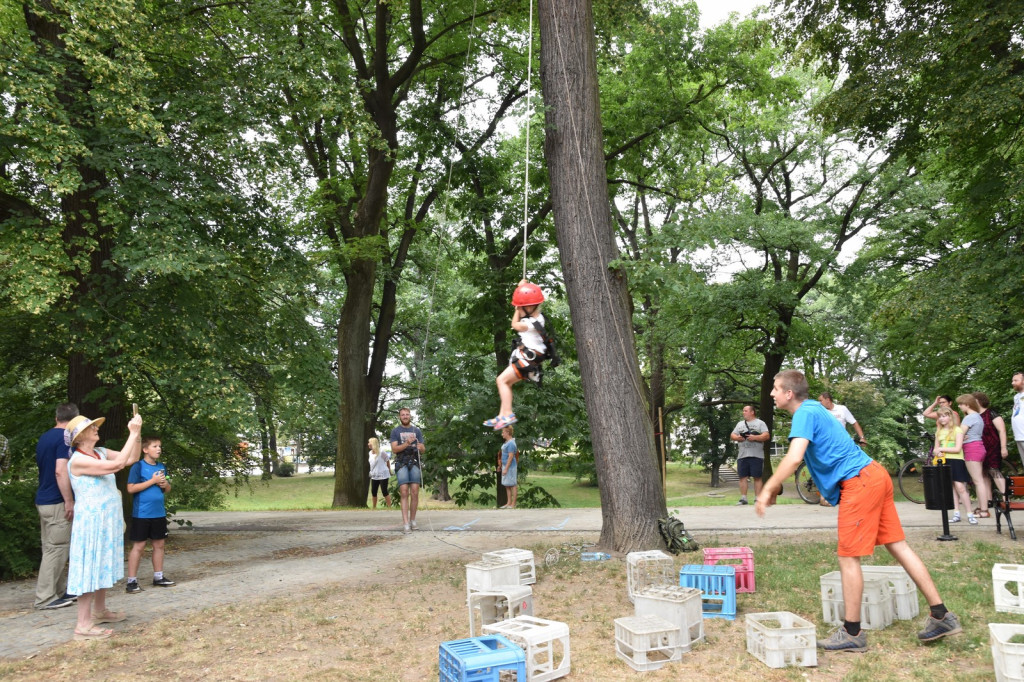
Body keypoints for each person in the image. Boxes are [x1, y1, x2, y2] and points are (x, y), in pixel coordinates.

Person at [756, 370, 961, 651]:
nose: (772, 394)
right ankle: (942, 615)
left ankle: (852, 633)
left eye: (776, 389)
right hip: (874, 474)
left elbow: (794, 458)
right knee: (898, 546)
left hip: (859, 481)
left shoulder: (804, 412)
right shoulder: (816, 407)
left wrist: (768, 489)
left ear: (789, 393)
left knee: (848, 557)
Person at [65, 411, 143, 640]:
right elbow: (118, 464)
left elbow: (131, 458)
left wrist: (137, 436)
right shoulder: (78, 460)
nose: (95, 428)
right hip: (90, 523)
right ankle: (83, 624)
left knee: (101, 565)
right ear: (79, 437)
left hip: (106, 521)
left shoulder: (99, 452)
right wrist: (133, 432)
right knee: (89, 568)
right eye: (90, 428)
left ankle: (100, 611)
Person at [483, 280, 548, 430]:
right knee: (506, 383)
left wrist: (517, 309)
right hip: (526, 358)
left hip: (528, 359)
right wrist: (520, 289)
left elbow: (514, 325)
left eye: (521, 307)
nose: (519, 309)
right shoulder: (534, 317)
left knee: (501, 381)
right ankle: (502, 415)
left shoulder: (534, 322)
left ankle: (508, 414)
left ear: (529, 307)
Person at [34, 402, 79, 610]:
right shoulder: (65, 438)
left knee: (52, 548)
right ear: (75, 420)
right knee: (57, 549)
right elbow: (60, 471)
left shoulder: (45, 437)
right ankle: (45, 598)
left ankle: (59, 592)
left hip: (43, 499)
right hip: (57, 501)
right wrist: (69, 500)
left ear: (56, 418)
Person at [125, 436, 175, 594]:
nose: (159, 449)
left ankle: (158, 577)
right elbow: (131, 488)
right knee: (139, 546)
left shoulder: (161, 467)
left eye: (160, 446)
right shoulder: (138, 466)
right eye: (155, 446)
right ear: (145, 449)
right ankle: (131, 581)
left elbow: (167, 489)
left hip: (158, 513)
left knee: (159, 545)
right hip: (142, 513)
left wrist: (165, 484)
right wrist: (152, 481)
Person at [932, 406, 973, 523]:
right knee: (952, 488)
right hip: (944, 461)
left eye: (944, 416)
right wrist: (937, 452)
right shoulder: (938, 431)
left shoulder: (957, 430)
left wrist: (941, 448)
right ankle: (956, 513)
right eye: (940, 416)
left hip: (957, 460)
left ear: (950, 416)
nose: (942, 419)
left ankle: (970, 513)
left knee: (960, 487)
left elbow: (957, 448)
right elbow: (935, 449)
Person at [974, 391, 1010, 514]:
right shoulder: (975, 416)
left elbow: (1002, 431)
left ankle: (1006, 499)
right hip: (981, 448)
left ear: (979, 401)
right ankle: (988, 500)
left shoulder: (991, 413)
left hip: (994, 447)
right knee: (984, 474)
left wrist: (1003, 447)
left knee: (994, 471)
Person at [390, 407, 424, 533]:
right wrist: (407, 443)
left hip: (414, 462)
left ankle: (413, 520)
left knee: (415, 492)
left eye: (407, 414)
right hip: (401, 463)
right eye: (403, 415)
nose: (405, 416)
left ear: (410, 416)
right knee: (404, 492)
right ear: (400, 417)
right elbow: (394, 449)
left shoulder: (417, 430)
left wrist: (421, 447)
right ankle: (405, 523)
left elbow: (423, 448)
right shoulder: (395, 431)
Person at [956, 393, 989, 518]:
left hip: (972, 448)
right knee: (979, 480)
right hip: (978, 447)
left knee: (978, 481)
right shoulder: (978, 416)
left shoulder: (969, 418)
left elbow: (959, 433)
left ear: (967, 404)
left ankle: (984, 511)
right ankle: (982, 508)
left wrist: (960, 436)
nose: (959, 406)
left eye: (960, 404)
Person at [729, 405, 770, 505]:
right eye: (743, 411)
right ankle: (743, 498)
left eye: (745, 411)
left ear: (752, 412)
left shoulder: (760, 423)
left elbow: (766, 435)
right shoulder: (740, 424)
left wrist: (755, 437)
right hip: (742, 455)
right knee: (742, 477)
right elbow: (732, 435)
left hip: (757, 455)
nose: (743, 412)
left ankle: (757, 499)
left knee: (757, 477)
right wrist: (738, 438)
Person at [368, 437, 392, 509]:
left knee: (384, 491)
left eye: (369, 442)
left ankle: (389, 507)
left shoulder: (381, 452)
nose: (368, 444)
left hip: (383, 474)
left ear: (373, 443)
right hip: (374, 475)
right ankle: (374, 507)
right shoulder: (370, 453)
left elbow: (387, 460)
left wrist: (388, 470)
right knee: (373, 491)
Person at [499, 426, 519, 509]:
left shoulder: (511, 443)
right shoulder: (507, 442)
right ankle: (508, 503)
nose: (502, 434)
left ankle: (513, 504)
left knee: (513, 484)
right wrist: (501, 466)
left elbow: (510, 457)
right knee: (507, 485)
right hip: (505, 465)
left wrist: (506, 468)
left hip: (510, 467)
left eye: (503, 432)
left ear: (507, 432)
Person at [1012, 372, 1024, 468]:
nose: (1013, 383)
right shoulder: (1016, 397)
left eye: (1016, 380)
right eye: (1013, 380)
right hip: (1019, 435)